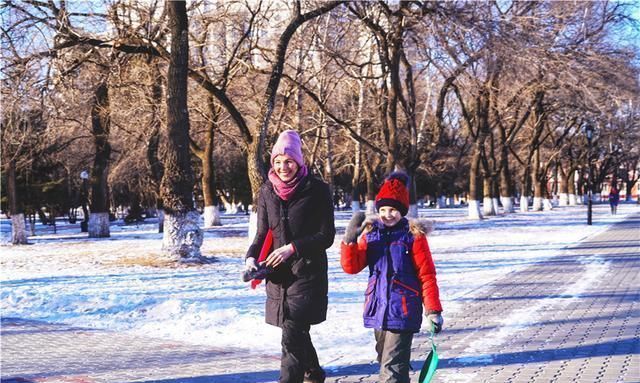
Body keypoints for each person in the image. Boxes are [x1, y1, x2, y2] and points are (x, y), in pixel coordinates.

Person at [244, 130, 335, 383]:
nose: (283, 167)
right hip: (278, 275)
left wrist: (292, 248)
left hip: (308, 273)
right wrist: (251, 258)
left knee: (292, 335)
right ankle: (314, 373)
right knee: (293, 330)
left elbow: (326, 236)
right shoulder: (266, 191)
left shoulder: (317, 190)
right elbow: (262, 233)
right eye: (278, 161)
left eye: (289, 161)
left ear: (298, 162)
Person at [340, 172, 443, 383]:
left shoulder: (413, 237)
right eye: (383, 209)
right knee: (389, 364)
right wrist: (350, 241)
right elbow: (352, 267)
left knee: (391, 370)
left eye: (393, 210)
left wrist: (433, 310)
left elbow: (427, 275)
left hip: (403, 310)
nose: (388, 215)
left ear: (403, 211)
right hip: (378, 309)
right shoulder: (371, 234)